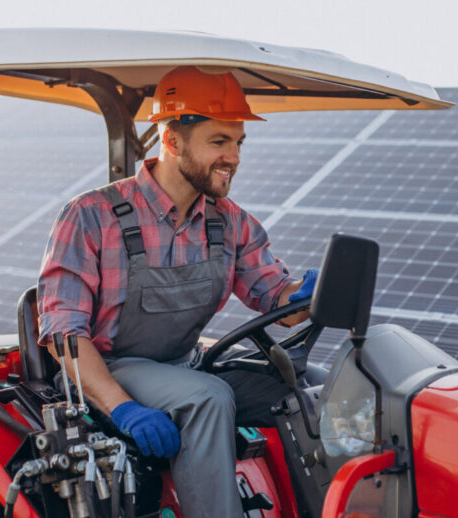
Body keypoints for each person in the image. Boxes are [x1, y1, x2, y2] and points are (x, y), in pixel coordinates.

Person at [37, 66, 321, 517]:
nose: (234, 157)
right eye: (219, 142)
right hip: (107, 370)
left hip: (183, 366)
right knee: (208, 397)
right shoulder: (91, 216)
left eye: (238, 142)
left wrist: (307, 294)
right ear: (172, 142)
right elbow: (63, 335)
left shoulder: (229, 222)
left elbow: (276, 302)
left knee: (313, 388)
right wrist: (124, 408)